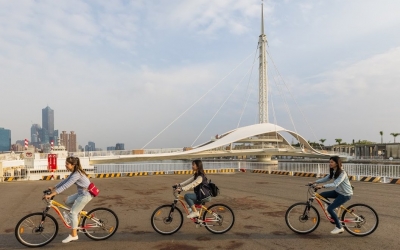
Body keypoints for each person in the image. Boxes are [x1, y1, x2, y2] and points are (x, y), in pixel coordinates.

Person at [44, 156, 93, 243]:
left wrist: (52, 194)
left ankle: (74, 235)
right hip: (81, 193)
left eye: (67, 164)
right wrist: (53, 187)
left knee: (73, 213)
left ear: (73, 165)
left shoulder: (77, 174)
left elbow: (66, 186)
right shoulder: (74, 172)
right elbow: (65, 181)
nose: (65, 165)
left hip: (86, 194)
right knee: (67, 201)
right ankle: (78, 212)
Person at [311, 156, 353, 234]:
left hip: (345, 194)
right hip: (338, 192)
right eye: (329, 162)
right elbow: (326, 178)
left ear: (337, 163)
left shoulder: (342, 173)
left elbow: (335, 183)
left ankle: (339, 227)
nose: (330, 163)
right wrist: (315, 182)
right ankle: (332, 208)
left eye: (332, 162)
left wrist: (322, 186)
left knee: (330, 209)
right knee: (322, 195)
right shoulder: (334, 171)